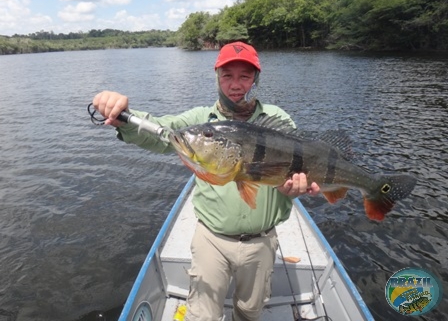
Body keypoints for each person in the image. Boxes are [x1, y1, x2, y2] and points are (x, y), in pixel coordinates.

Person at [92, 41, 320, 321]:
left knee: (250, 311)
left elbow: (298, 173)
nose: (236, 84)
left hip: (262, 242)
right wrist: (124, 116)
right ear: (217, 77)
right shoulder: (201, 122)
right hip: (211, 238)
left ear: (255, 79)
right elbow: (163, 130)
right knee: (202, 316)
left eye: (245, 76)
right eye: (227, 75)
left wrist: (295, 190)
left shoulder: (278, 120)